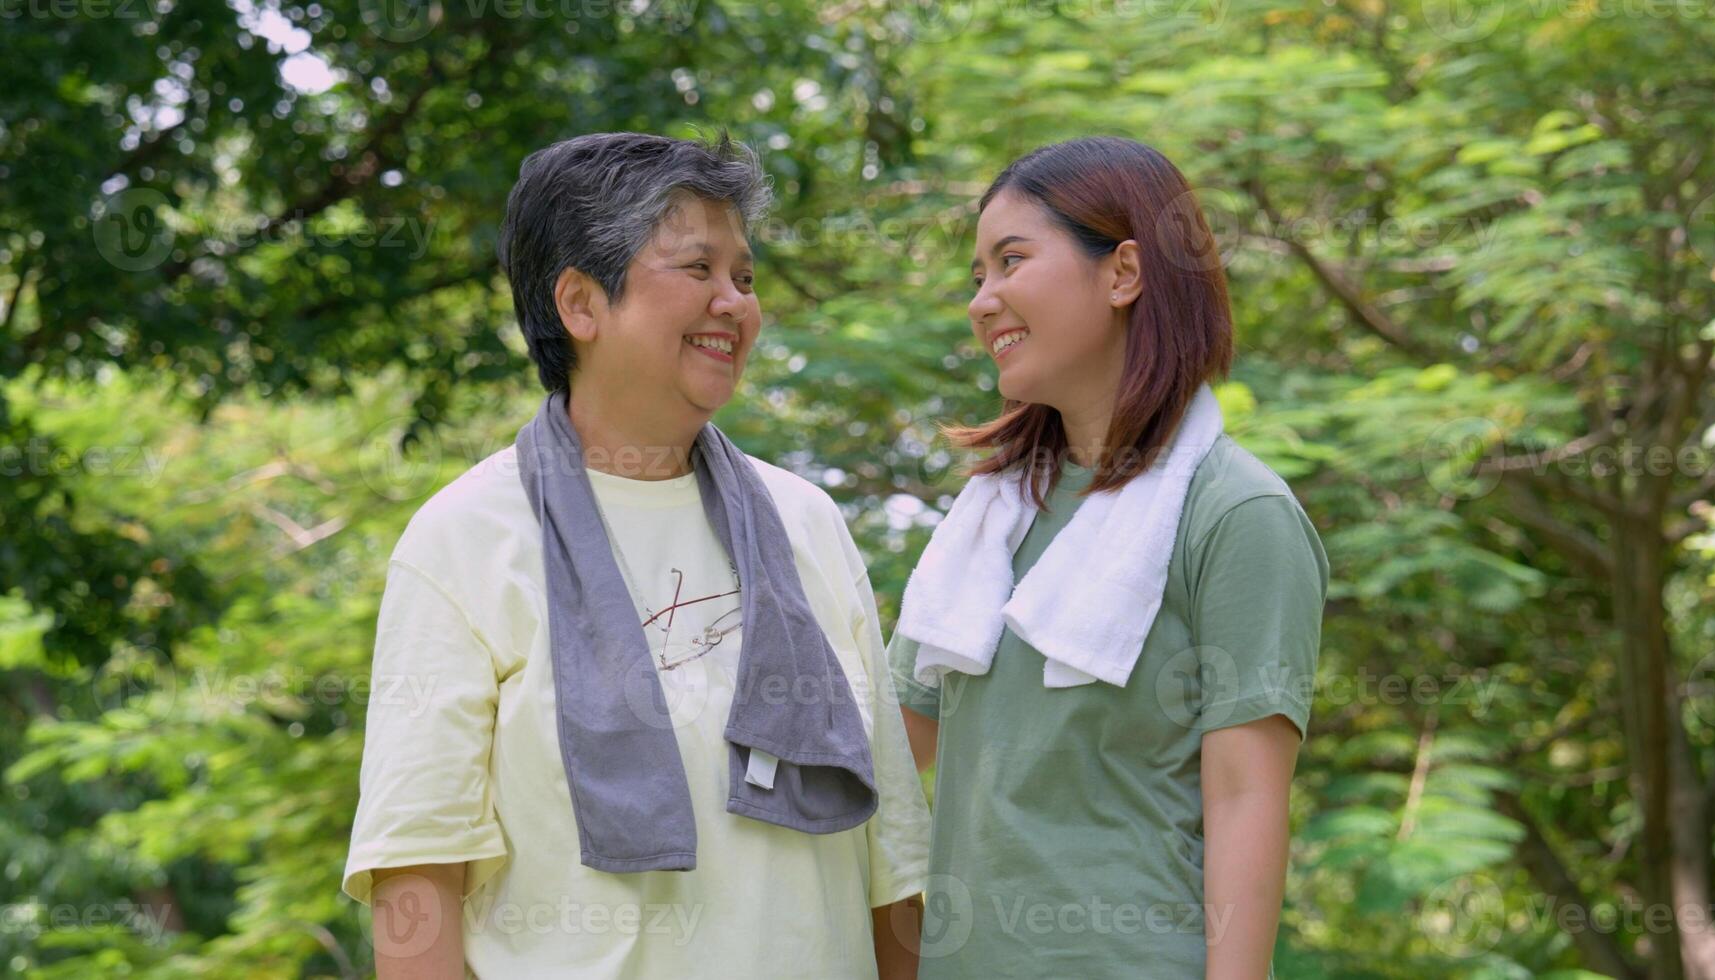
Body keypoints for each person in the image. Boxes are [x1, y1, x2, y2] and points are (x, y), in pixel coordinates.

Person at [341, 131, 930, 979]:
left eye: (746, 277)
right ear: (581, 304)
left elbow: (889, 866)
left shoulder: (806, 523)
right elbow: (418, 873)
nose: (735, 302)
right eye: (698, 269)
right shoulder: (468, 537)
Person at [888, 136, 1329, 979]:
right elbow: (879, 754)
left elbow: (1246, 800)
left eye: (1010, 260)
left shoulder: (1237, 513)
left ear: (1124, 274)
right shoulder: (990, 519)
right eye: (977, 275)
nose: (983, 301)